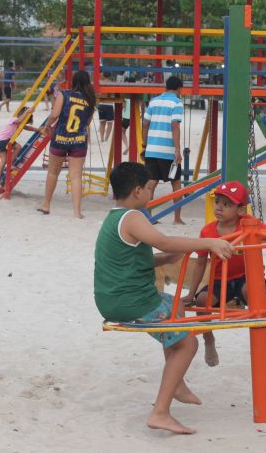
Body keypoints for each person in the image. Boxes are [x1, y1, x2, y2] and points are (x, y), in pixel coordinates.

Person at [94, 161, 233, 434]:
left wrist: (163, 260)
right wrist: (208, 243)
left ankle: (177, 383)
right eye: (149, 188)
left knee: (176, 306)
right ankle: (160, 412)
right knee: (188, 344)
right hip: (130, 300)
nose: (152, 193)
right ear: (137, 191)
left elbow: (130, 260)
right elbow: (164, 240)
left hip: (113, 296)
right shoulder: (133, 217)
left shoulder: (113, 218)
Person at [183, 181, 266, 367]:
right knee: (201, 301)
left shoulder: (248, 226)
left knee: (251, 290)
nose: (219, 207)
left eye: (226, 204)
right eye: (218, 202)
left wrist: (259, 230)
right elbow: (200, 263)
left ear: (240, 210)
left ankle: (258, 334)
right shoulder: (208, 231)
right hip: (220, 280)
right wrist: (191, 292)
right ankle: (208, 338)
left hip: (247, 276)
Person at [39, 70, 96, 218]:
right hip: (78, 141)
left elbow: (55, 114)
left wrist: (46, 126)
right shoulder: (90, 99)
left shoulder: (64, 94)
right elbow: (88, 122)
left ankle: (46, 205)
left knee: (53, 172)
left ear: (74, 81)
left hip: (60, 138)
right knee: (76, 176)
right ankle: (77, 212)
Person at [142, 76, 185, 225]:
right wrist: (177, 150)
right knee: (176, 183)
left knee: (151, 183)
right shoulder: (177, 102)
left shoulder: (153, 101)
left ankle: (148, 217)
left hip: (151, 149)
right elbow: (174, 125)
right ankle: (177, 219)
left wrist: (145, 144)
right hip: (167, 150)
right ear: (179, 89)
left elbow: (145, 123)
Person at [0, 107, 39, 189]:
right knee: (18, 147)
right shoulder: (14, 119)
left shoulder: (19, 123)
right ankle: (10, 164)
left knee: (3, 160)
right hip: (4, 139)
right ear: (22, 114)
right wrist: (27, 111)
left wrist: (37, 130)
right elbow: (20, 120)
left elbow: (27, 127)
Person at [98, 72, 115, 142]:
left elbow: (99, 93)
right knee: (110, 123)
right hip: (109, 104)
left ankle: (101, 138)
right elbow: (114, 94)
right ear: (110, 76)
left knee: (102, 123)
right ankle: (106, 138)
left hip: (101, 104)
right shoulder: (112, 83)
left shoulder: (101, 83)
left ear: (103, 76)